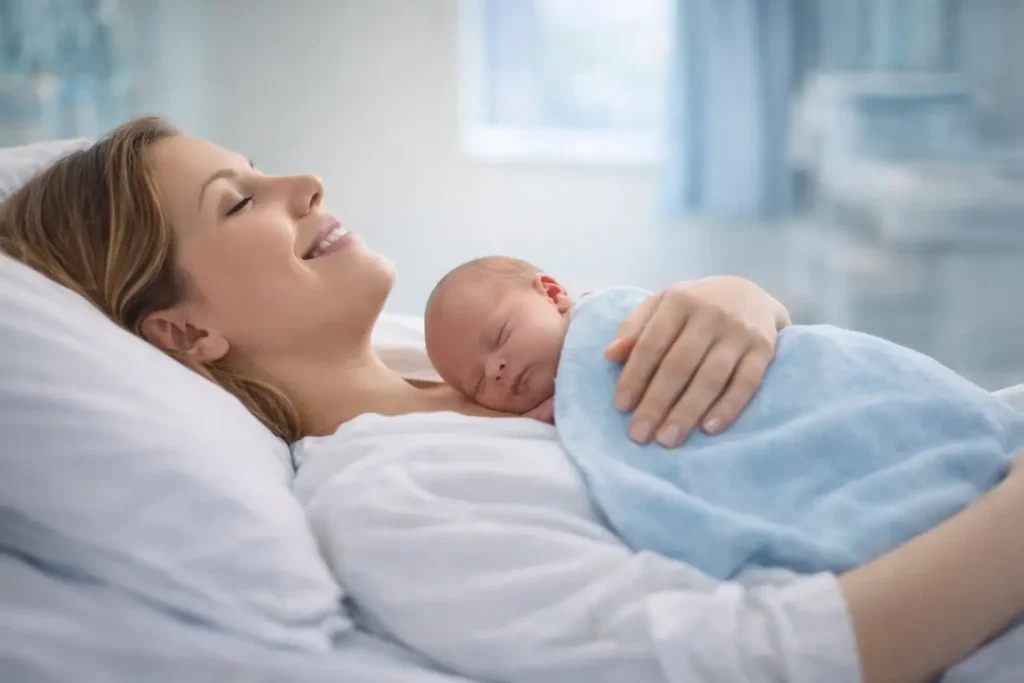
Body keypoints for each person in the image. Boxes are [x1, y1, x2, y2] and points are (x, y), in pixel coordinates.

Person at [3, 116, 1024, 683]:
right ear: (184, 333)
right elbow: (759, 658)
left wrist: (745, 307)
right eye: (239, 200)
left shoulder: (464, 366)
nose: (305, 181)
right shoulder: (396, 499)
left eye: (264, 168)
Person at [423, 255, 1024, 582]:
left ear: (552, 293)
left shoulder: (612, 321)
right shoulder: (534, 421)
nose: (497, 370)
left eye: (498, 338)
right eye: (478, 381)